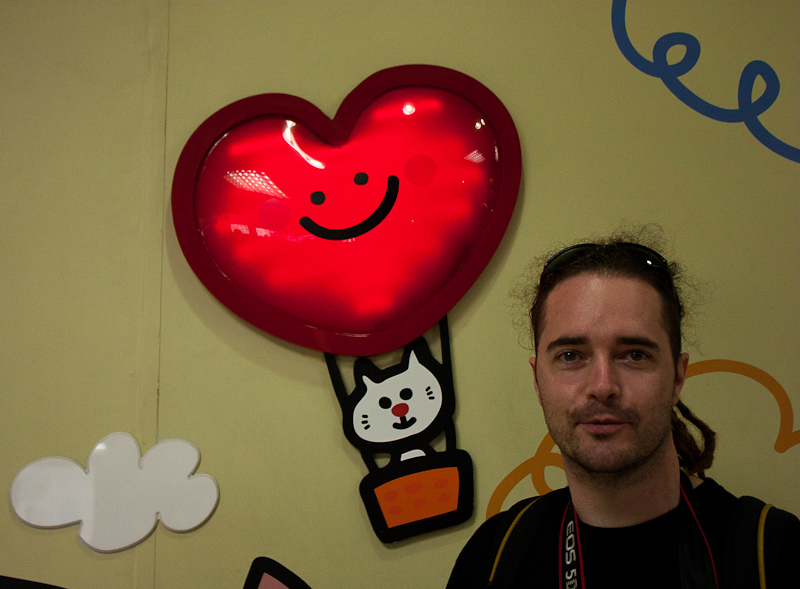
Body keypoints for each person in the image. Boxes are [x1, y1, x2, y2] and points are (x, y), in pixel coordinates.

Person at [447, 229, 800, 588]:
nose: (603, 386)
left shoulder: (778, 553)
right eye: (570, 356)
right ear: (537, 381)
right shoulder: (492, 558)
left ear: (677, 377)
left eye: (634, 355)